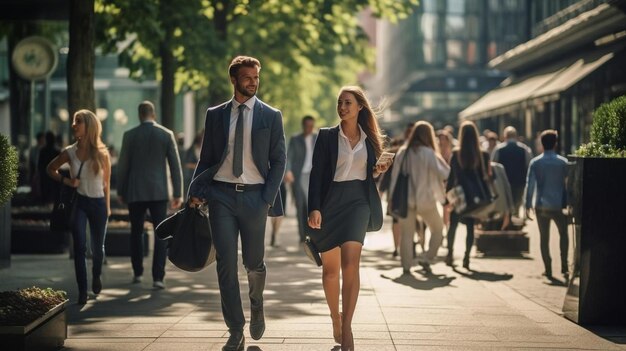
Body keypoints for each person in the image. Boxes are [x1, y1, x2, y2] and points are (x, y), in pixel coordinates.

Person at [188, 56, 286, 351]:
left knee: (254, 264)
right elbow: (207, 159)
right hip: (221, 197)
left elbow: (279, 160)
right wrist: (196, 189)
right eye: (247, 77)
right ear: (234, 80)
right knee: (225, 265)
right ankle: (235, 328)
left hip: (256, 197)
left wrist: (267, 199)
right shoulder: (215, 115)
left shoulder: (271, 115)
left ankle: (256, 304)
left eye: (256, 77)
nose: (253, 82)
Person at [308, 86, 391, 351]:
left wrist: (378, 170)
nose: (342, 107)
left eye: (347, 102)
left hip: (358, 203)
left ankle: (347, 330)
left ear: (359, 108)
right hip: (330, 204)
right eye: (339, 102)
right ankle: (336, 317)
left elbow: (370, 173)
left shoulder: (370, 140)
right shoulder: (326, 137)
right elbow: (316, 175)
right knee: (330, 272)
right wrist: (314, 207)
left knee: (351, 266)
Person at [47, 110, 111, 304]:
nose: (74, 124)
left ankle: (97, 274)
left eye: (78, 121)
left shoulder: (102, 153)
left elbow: (106, 185)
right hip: (80, 204)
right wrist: (67, 181)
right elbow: (50, 169)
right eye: (74, 121)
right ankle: (82, 290)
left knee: (97, 249)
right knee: (80, 247)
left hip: (99, 204)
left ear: (89, 125)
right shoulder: (70, 152)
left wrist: (107, 208)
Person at [117, 101, 183, 289]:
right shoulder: (166, 134)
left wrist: (121, 190)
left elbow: (123, 166)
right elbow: (175, 166)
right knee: (160, 233)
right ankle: (158, 277)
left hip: (135, 191)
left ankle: (137, 273)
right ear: (153, 114)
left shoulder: (129, 136)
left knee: (136, 232)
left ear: (140, 115)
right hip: (158, 191)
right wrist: (177, 193)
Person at [389, 121, 450, 273]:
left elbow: (395, 178)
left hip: (406, 200)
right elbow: (445, 173)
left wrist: (391, 198)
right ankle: (427, 258)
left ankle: (406, 266)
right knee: (438, 229)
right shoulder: (429, 153)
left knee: (406, 234)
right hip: (427, 200)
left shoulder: (403, 152)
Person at [445, 121, 492, 270]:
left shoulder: (456, 153)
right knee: (471, 228)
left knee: (452, 226)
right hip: (475, 197)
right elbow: (487, 176)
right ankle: (466, 258)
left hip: (459, 196)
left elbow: (451, 177)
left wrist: (448, 198)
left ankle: (450, 254)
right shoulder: (483, 154)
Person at [525, 130, 570, 280]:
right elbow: (569, 185)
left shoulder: (536, 162)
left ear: (542, 144)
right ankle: (564, 265)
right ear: (555, 143)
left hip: (541, 205)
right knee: (563, 234)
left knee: (544, 238)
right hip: (559, 205)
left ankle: (548, 268)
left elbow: (530, 184)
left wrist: (527, 204)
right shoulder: (563, 162)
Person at [285, 115, 317, 243]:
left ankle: (313, 235)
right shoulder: (295, 139)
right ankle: (302, 236)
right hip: (299, 176)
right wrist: (288, 171)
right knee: (300, 206)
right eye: (307, 126)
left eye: (311, 126)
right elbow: (289, 156)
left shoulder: (318, 138)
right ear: (303, 125)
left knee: (312, 206)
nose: (309, 128)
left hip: (313, 177)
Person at [492, 126, 532, 216]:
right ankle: (516, 215)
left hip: (503, 181)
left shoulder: (498, 149)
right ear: (516, 136)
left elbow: (493, 165)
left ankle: (508, 218)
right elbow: (529, 165)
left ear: (505, 136)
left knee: (506, 202)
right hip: (520, 181)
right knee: (517, 201)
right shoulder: (524, 149)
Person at [39, 131, 61, 204]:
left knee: (45, 194)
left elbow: (39, 165)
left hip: (45, 175)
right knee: (54, 194)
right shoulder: (57, 151)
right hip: (54, 175)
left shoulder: (43, 150)